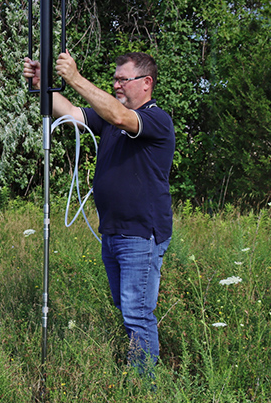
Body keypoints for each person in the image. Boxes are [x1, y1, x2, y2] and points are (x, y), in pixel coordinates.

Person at [24, 51, 174, 374]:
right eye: (115, 79)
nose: (117, 84)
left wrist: (76, 78)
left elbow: (121, 117)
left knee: (137, 313)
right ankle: (139, 370)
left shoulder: (155, 119)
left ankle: (144, 389)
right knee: (126, 308)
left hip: (140, 233)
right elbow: (73, 114)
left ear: (146, 83)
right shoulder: (109, 118)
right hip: (113, 232)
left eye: (124, 79)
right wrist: (42, 85)